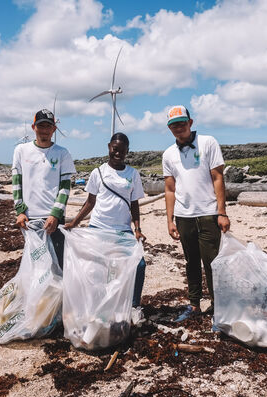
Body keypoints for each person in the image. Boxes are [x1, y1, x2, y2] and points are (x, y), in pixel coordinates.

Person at [162, 105, 230, 322]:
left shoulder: (208, 142)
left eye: (182, 123)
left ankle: (219, 307)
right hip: (184, 216)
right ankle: (194, 305)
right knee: (191, 261)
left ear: (190, 123)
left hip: (209, 213)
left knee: (213, 262)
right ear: (169, 128)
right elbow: (170, 189)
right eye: (173, 125)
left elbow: (218, 177)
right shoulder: (168, 154)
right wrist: (169, 220)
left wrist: (222, 212)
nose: (178, 128)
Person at [64, 132, 147, 307]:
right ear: (109, 147)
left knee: (138, 265)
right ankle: (96, 304)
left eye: (122, 151)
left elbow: (134, 204)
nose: (118, 154)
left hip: (123, 230)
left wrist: (137, 229)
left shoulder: (133, 174)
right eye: (115, 149)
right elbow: (90, 202)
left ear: (127, 152)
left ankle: (133, 306)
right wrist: (74, 222)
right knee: (95, 269)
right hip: (98, 228)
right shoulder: (98, 172)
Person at [12, 109, 76, 269]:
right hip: (29, 220)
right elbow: (16, 183)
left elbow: (65, 187)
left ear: (54, 129)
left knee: (58, 265)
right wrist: (19, 211)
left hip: (53, 220)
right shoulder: (21, 150)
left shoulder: (63, 153)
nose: (44, 131)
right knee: (36, 266)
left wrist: (55, 215)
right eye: (41, 126)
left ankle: (58, 295)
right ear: (33, 127)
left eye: (48, 127)